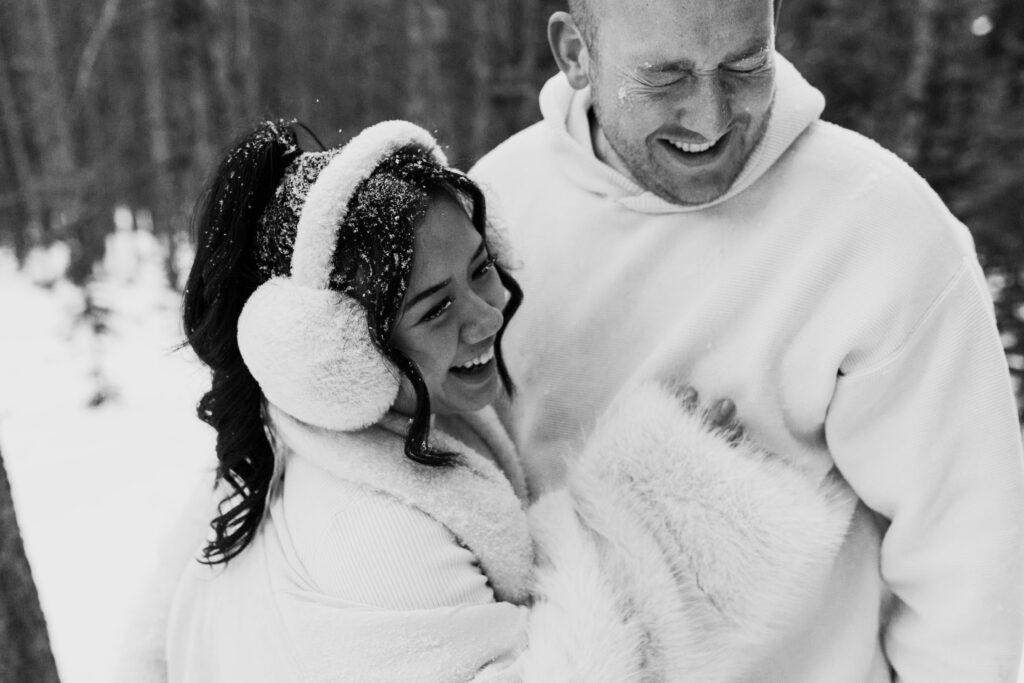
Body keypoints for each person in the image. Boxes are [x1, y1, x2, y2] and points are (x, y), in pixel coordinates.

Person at [147, 118, 853, 682]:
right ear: (341, 353)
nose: (486, 317)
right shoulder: (369, 536)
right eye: (435, 309)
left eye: (481, 268)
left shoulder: (375, 433)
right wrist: (660, 516)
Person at [468, 0, 1024, 681]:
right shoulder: (484, 224)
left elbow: (971, 568)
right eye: (665, 77)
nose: (712, 117)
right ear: (576, 54)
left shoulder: (883, 230)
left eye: (744, 64)